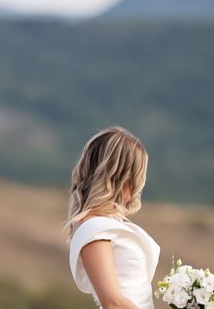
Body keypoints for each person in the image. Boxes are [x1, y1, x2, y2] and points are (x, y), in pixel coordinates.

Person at [64, 125, 160, 309]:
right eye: (138, 173)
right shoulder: (94, 229)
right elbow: (113, 303)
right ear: (123, 177)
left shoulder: (110, 223)